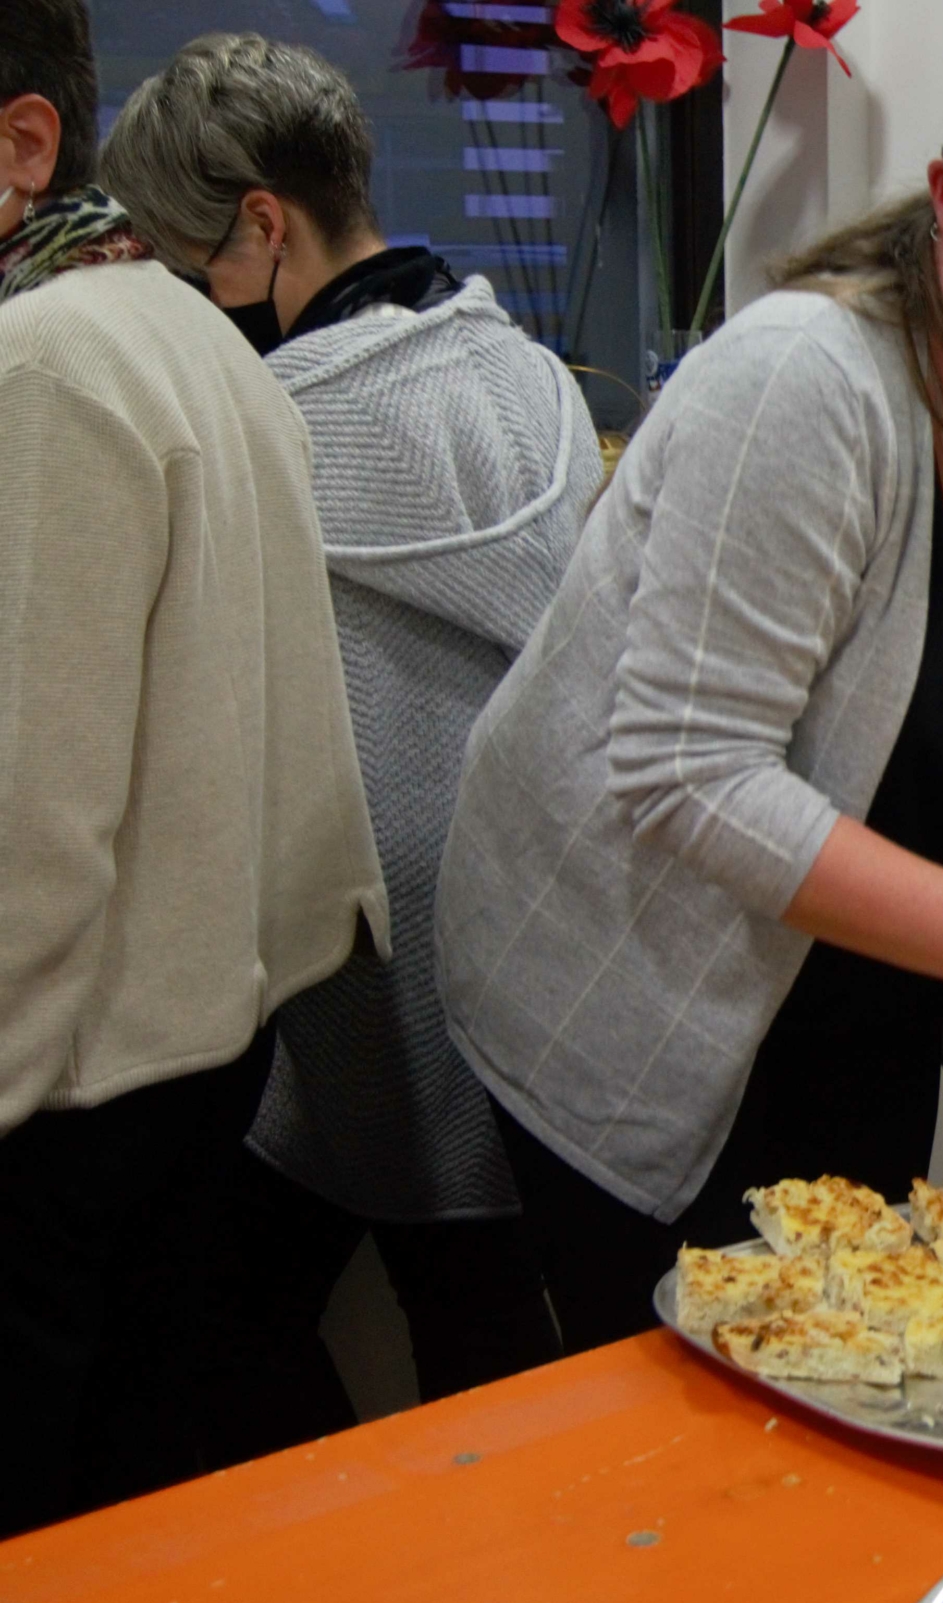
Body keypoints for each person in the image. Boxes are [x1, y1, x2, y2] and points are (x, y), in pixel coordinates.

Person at [435, 13, 943, 1353]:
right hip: (634, 976)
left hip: (873, 977)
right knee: (672, 1403)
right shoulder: (806, 380)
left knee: (848, 1368)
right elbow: (689, 770)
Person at [98, 33, 596, 1456]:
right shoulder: (539, 383)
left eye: (181, 265)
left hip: (356, 971)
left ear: (263, 226)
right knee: (490, 1366)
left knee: (195, 1333)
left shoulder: (268, 429)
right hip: (540, 956)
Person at [0, 0, 386, 1536]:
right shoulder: (186, 333)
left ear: (26, 141)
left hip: (63, 1085)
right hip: (200, 1046)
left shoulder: (43, 363)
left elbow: (29, 819)